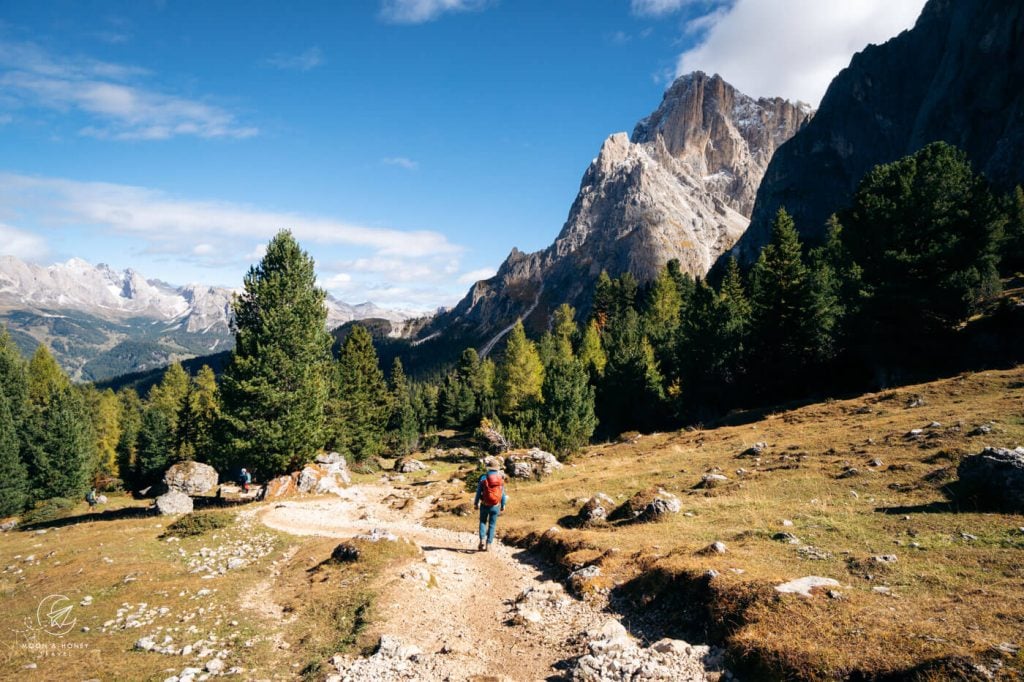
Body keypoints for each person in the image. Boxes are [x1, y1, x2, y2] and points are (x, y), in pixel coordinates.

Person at [473, 457, 507, 552]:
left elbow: (478, 492)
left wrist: (476, 503)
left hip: (484, 504)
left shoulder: (483, 477)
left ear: (488, 467)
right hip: (495, 506)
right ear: (497, 468)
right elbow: (503, 494)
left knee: (483, 522)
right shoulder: (500, 478)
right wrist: (503, 504)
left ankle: (482, 540)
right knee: (492, 524)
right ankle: (489, 544)